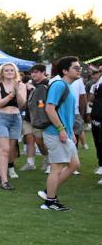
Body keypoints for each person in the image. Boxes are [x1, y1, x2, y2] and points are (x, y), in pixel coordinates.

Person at [39, 56, 82, 211]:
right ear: (65, 70)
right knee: (56, 167)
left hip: (64, 133)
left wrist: (71, 132)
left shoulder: (68, 86)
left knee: (74, 164)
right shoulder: (59, 85)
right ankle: (49, 202)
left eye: (79, 68)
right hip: (55, 132)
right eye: (75, 68)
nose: (79, 70)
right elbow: (49, 109)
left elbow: (65, 113)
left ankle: (47, 192)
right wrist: (61, 130)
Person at [0, 63, 26, 190]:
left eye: (12, 70)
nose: (10, 72)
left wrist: (17, 91)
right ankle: (4, 181)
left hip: (16, 119)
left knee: (9, 151)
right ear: (2, 73)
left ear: (15, 72)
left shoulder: (21, 85)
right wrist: (11, 95)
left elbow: (22, 104)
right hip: (1, 119)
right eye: (7, 70)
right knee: (4, 150)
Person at [22, 65, 50, 171]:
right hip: (28, 116)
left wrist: (39, 105)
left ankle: (47, 158)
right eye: (32, 72)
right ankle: (30, 163)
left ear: (43, 72)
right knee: (29, 138)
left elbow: (43, 104)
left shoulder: (48, 84)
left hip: (40, 118)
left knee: (39, 141)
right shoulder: (29, 84)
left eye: (36, 72)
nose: (33, 74)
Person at [88, 68, 102, 183]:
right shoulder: (96, 85)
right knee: (98, 141)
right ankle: (101, 164)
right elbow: (92, 99)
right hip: (97, 116)